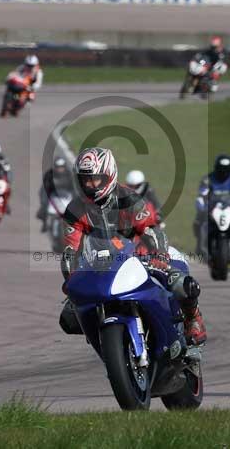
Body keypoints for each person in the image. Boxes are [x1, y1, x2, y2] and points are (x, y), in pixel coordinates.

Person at [60, 147, 206, 345]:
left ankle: (192, 319)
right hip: (101, 266)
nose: (90, 185)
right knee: (69, 317)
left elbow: (150, 230)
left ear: (109, 175)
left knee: (181, 282)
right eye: (85, 179)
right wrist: (71, 277)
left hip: (140, 258)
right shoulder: (75, 209)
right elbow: (71, 248)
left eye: (96, 178)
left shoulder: (129, 199)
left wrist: (159, 255)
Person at [193, 154, 230, 258]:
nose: (224, 172)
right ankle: (201, 247)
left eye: (226, 169)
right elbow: (201, 196)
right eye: (221, 169)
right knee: (198, 222)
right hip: (212, 209)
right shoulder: (208, 179)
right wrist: (201, 209)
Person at [37, 156, 74, 231]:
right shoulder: (49, 175)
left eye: (61, 167)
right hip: (52, 196)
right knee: (43, 207)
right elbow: (44, 189)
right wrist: (44, 201)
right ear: (55, 167)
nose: (60, 169)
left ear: (64, 166)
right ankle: (44, 223)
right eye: (58, 167)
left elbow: (75, 188)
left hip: (66, 196)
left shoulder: (70, 174)